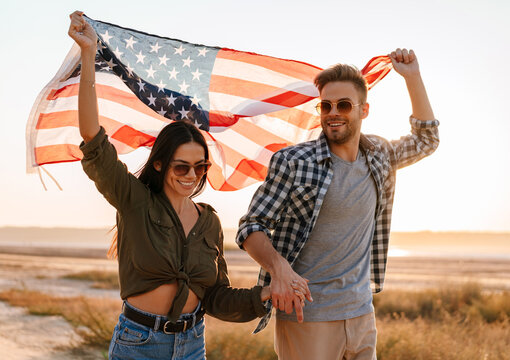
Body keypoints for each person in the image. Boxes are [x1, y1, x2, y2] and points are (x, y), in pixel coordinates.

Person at [68, 11, 282, 360]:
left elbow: (216, 298)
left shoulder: (209, 221)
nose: (191, 175)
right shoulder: (136, 201)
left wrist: (263, 296)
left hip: (192, 345)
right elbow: (93, 138)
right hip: (138, 344)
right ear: (159, 164)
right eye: (181, 166)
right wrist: (89, 55)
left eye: (200, 167)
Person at [236, 49, 440, 359]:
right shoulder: (293, 162)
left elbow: (427, 140)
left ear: (364, 110)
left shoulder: (380, 155)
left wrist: (412, 77)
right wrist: (279, 269)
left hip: (361, 314)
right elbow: (250, 227)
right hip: (307, 317)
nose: (333, 112)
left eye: (344, 105)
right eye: (326, 105)